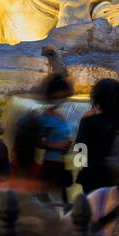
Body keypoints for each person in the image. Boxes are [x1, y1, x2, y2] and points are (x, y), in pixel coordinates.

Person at [74, 77, 119, 194]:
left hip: (91, 175)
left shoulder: (88, 120)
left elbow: (80, 148)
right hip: (114, 174)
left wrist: (81, 168)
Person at [37, 73, 74, 201]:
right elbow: (36, 141)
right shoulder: (45, 117)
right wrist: (56, 145)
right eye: (63, 95)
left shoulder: (59, 115)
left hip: (61, 165)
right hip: (50, 166)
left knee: (60, 203)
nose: (65, 98)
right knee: (52, 203)